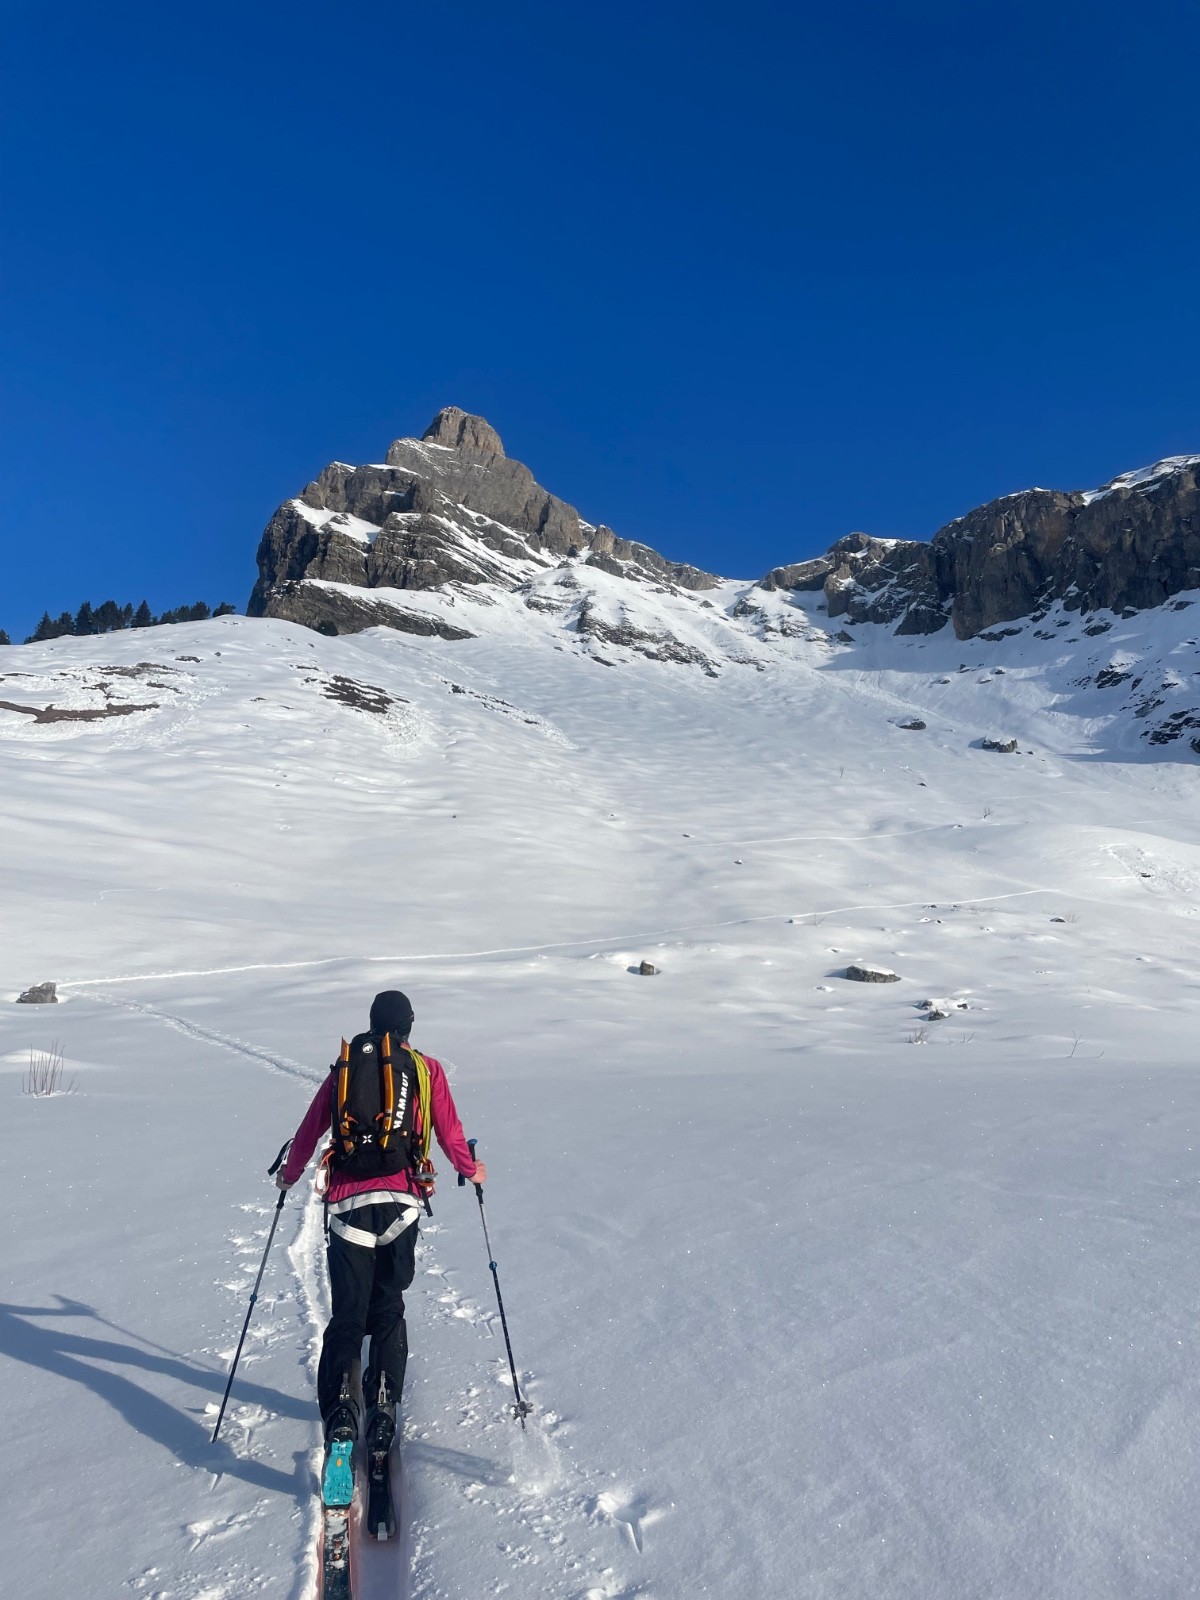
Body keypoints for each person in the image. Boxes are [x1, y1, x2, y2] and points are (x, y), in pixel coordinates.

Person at [275, 989, 485, 1447]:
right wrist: (472, 1171)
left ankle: (343, 1412)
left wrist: (289, 1176)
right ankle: (384, 1402)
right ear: (409, 1025)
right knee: (388, 1306)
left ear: (371, 1024)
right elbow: (450, 1134)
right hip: (400, 1206)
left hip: (348, 1208)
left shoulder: (344, 1071)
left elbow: (309, 1132)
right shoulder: (426, 1070)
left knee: (348, 1315)